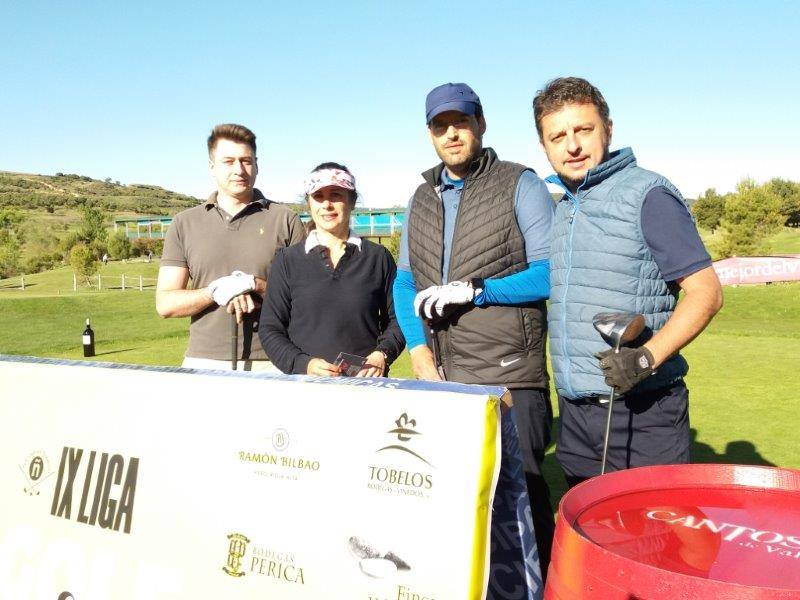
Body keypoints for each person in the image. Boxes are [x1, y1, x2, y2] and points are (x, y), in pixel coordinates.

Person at [392, 83, 556, 571]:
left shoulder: (519, 183)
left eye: (461, 122)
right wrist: (419, 354)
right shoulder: (421, 196)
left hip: (511, 376)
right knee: (463, 504)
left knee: (524, 500)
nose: (452, 133)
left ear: (480, 124)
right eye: (441, 126)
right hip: (445, 376)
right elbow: (405, 284)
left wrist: (479, 289)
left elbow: (551, 273)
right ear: (430, 134)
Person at [533, 77, 723, 488]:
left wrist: (645, 358)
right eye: (557, 136)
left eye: (583, 129)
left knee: (655, 546)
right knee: (591, 542)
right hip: (577, 418)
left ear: (608, 129)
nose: (572, 146)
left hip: (644, 412)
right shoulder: (565, 205)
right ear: (544, 146)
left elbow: (706, 291)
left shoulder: (648, 195)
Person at [156, 123, 304, 371]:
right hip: (204, 361)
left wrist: (256, 285)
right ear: (212, 167)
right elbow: (166, 303)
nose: (239, 169)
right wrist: (214, 292)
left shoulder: (285, 219)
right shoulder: (184, 223)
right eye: (228, 161)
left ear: (257, 165)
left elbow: (305, 300)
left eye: (246, 161)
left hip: (274, 360)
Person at [259, 163, 404, 376]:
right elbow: (270, 329)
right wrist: (303, 364)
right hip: (305, 389)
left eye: (336, 195)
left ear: (352, 201)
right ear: (309, 204)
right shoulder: (287, 261)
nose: (327, 204)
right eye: (318, 196)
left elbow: (398, 319)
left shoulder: (378, 258)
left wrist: (382, 354)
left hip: (366, 387)